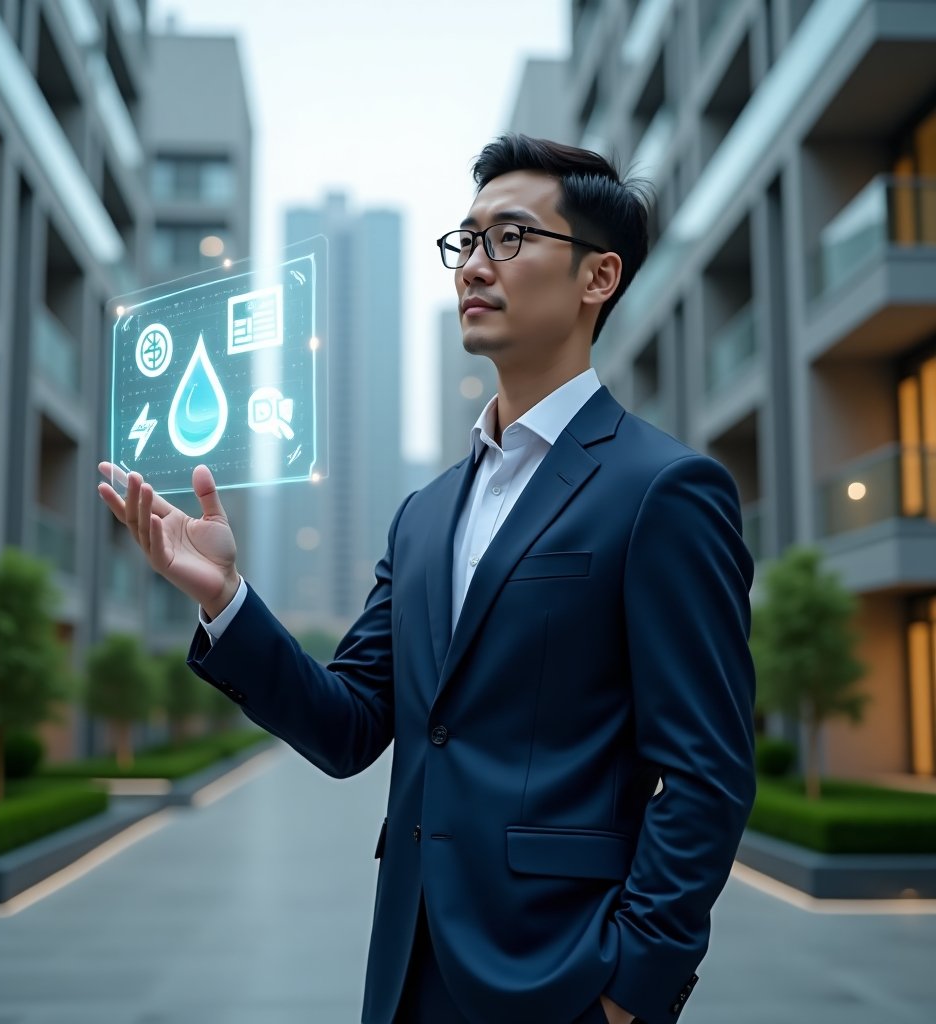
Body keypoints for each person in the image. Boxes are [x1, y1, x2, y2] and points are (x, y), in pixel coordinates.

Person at [98, 134, 756, 1024]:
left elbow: (709, 773)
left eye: (511, 238)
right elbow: (349, 727)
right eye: (466, 240)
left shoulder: (663, 491)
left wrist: (630, 990)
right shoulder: (425, 513)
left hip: (565, 975)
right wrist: (225, 599)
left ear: (598, 278)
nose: (475, 266)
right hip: (409, 973)